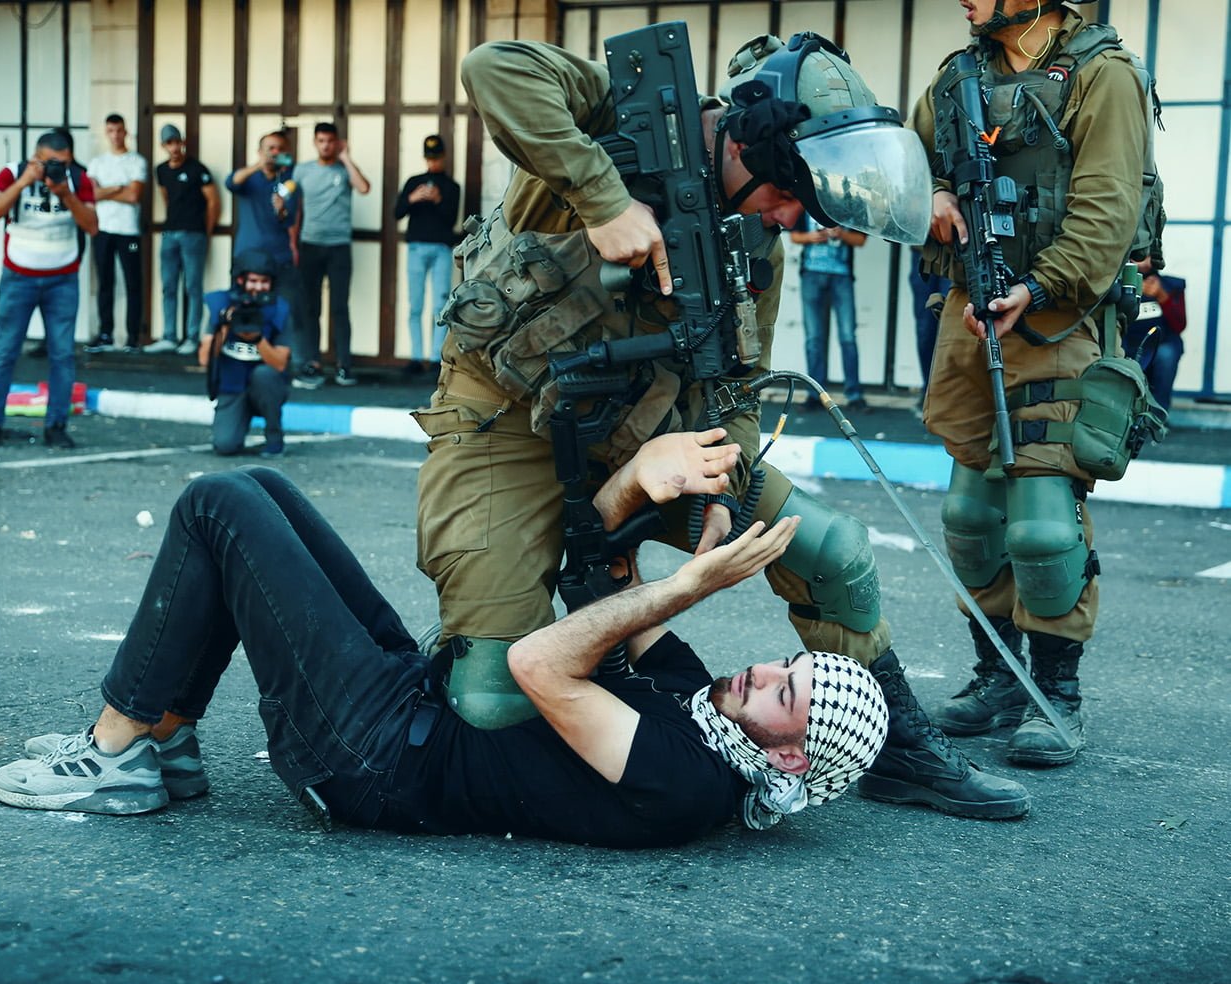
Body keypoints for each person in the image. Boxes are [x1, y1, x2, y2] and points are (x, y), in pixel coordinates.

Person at [412, 32, 1031, 820]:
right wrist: (604, 201)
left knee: (832, 549)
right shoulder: (627, 119)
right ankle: (504, 648)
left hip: (652, 437)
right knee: (492, 704)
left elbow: (736, 386)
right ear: (747, 149)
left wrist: (722, 493)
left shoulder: (757, 240)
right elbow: (493, 69)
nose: (794, 216)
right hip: (510, 420)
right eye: (789, 194)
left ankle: (898, 746)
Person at [0, 433, 892, 848]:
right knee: (262, 487)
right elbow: (604, 595)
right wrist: (699, 542)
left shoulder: (687, 780)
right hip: (415, 699)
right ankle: (168, 740)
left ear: (794, 762)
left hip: (372, 762)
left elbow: (537, 662)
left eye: (785, 692)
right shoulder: (705, 706)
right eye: (785, 662)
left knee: (215, 508)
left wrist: (685, 588)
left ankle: (114, 750)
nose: (762, 670)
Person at [911, 0, 1154, 764]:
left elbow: (1106, 209)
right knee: (971, 515)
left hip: (1057, 316)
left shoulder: (1101, 75)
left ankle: (1056, 689)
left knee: (1043, 521)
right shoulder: (959, 76)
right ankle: (998, 677)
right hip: (971, 310)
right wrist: (932, 196)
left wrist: (1041, 288)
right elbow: (906, 161)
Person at [0, 129, 98, 450]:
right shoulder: (12, 173)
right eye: (50, 163)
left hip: (62, 279)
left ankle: (56, 425)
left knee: (63, 355)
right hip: (19, 277)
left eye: (64, 163)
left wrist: (66, 194)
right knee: (4, 352)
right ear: (35, 157)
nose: (57, 168)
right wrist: (24, 182)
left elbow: (93, 226)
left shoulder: (79, 179)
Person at [293, 122, 371, 388]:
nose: (325, 145)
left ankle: (343, 365)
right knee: (310, 308)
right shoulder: (302, 171)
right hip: (310, 245)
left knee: (339, 307)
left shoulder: (345, 169)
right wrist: (293, 244)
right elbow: (294, 208)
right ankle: (312, 363)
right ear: (315, 142)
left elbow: (363, 188)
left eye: (330, 141)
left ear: (337, 142)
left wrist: (347, 158)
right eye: (321, 141)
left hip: (339, 247)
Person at [226, 130, 304, 383]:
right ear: (260, 152)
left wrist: (281, 211)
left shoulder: (290, 182)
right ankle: (238, 363)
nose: (274, 153)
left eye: (279, 149)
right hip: (248, 259)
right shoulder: (250, 178)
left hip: (279, 258)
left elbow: (290, 220)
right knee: (244, 310)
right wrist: (259, 166)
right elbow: (232, 183)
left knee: (284, 312)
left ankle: (287, 366)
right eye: (269, 148)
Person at [199, 251, 291, 457]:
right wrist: (224, 326)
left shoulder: (280, 309)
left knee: (264, 375)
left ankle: (274, 435)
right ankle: (237, 423)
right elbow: (205, 358)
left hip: (265, 387)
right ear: (240, 280)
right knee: (225, 446)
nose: (258, 288)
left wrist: (258, 339)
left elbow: (280, 364)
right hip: (232, 386)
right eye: (253, 281)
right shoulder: (221, 303)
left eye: (264, 282)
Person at [144, 124, 219, 357]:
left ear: (183, 142)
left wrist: (204, 231)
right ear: (163, 146)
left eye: (177, 142)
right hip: (169, 232)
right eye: (169, 143)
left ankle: (192, 336)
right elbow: (166, 197)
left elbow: (213, 202)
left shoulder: (197, 169)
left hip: (193, 233)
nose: (174, 147)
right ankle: (169, 335)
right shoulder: (162, 170)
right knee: (168, 285)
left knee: (192, 286)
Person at [395, 133, 461, 373]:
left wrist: (438, 199)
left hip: (441, 248)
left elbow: (451, 219)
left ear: (443, 157)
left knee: (440, 305)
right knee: (415, 303)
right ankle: (415, 356)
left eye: (436, 158)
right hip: (416, 247)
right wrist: (413, 198)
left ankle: (435, 357)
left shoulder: (452, 187)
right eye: (429, 158)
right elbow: (397, 212)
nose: (433, 163)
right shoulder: (414, 181)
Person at [789, 211, 868, 411]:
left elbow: (860, 239)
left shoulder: (849, 206)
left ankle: (854, 393)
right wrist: (812, 237)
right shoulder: (806, 204)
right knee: (814, 338)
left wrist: (840, 234)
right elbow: (794, 235)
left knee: (847, 337)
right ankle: (815, 394)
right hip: (812, 275)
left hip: (841, 277)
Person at [86, 114, 148, 353]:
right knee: (105, 281)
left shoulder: (136, 161)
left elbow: (133, 196)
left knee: (133, 281)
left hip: (128, 230)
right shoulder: (98, 162)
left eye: (119, 130)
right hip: (103, 228)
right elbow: (92, 195)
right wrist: (117, 188)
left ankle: (133, 336)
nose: (115, 135)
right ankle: (105, 333)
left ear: (126, 132)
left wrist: (105, 190)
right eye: (110, 130)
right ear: (106, 132)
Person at [1125, 257, 1185, 413]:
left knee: (1167, 354)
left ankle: (1158, 417)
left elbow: (1179, 325)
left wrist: (1162, 296)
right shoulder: (1119, 285)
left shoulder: (1170, 285)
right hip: (1127, 344)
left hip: (1160, 345)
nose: (1143, 263)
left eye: (1148, 257)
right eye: (1138, 257)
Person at [907, 250, 951, 416]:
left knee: (949, 326)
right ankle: (929, 391)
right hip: (924, 250)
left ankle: (947, 394)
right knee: (925, 329)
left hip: (956, 252)